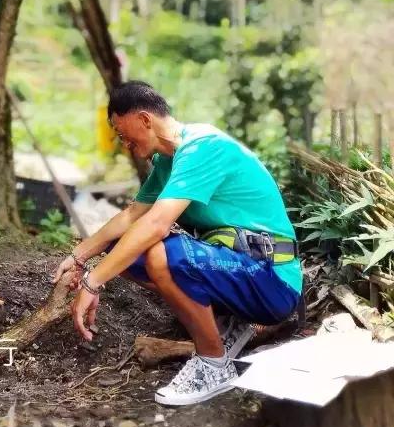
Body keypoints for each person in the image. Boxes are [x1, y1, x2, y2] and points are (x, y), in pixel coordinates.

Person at [52, 80, 302, 406]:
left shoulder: (204, 147)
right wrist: (80, 256)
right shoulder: (166, 162)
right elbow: (133, 215)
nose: (122, 142)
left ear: (145, 119)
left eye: (122, 132)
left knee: (162, 254)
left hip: (273, 280)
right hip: (236, 268)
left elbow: (156, 224)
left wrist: (93, 282)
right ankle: (228, 320)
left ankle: (213, 365)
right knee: (122, 249)